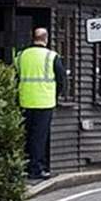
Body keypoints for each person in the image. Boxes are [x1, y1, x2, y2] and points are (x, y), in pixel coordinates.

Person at [15, 27, 66, 180]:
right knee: (39, 138)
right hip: (44, 102)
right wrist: (55, 96)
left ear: (33, 38)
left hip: (24, 101)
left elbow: (16, 75)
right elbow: (61, 80)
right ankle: (36, 169)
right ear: (46, 39)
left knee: (25, 135)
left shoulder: (21, 55)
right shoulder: (51, 56)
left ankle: (23, 166)